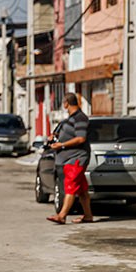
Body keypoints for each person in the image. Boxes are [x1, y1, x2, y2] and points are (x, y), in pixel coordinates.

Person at [47, 93, 94, 224]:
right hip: (68, 159)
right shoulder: (71, 119)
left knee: (71, 186)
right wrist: (55, 136)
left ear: (66, 103)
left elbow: (81, 138)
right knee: (82, 189)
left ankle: (62, 215)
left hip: (76, 158)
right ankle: (88, 216)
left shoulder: (80, 118)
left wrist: (62, 145)